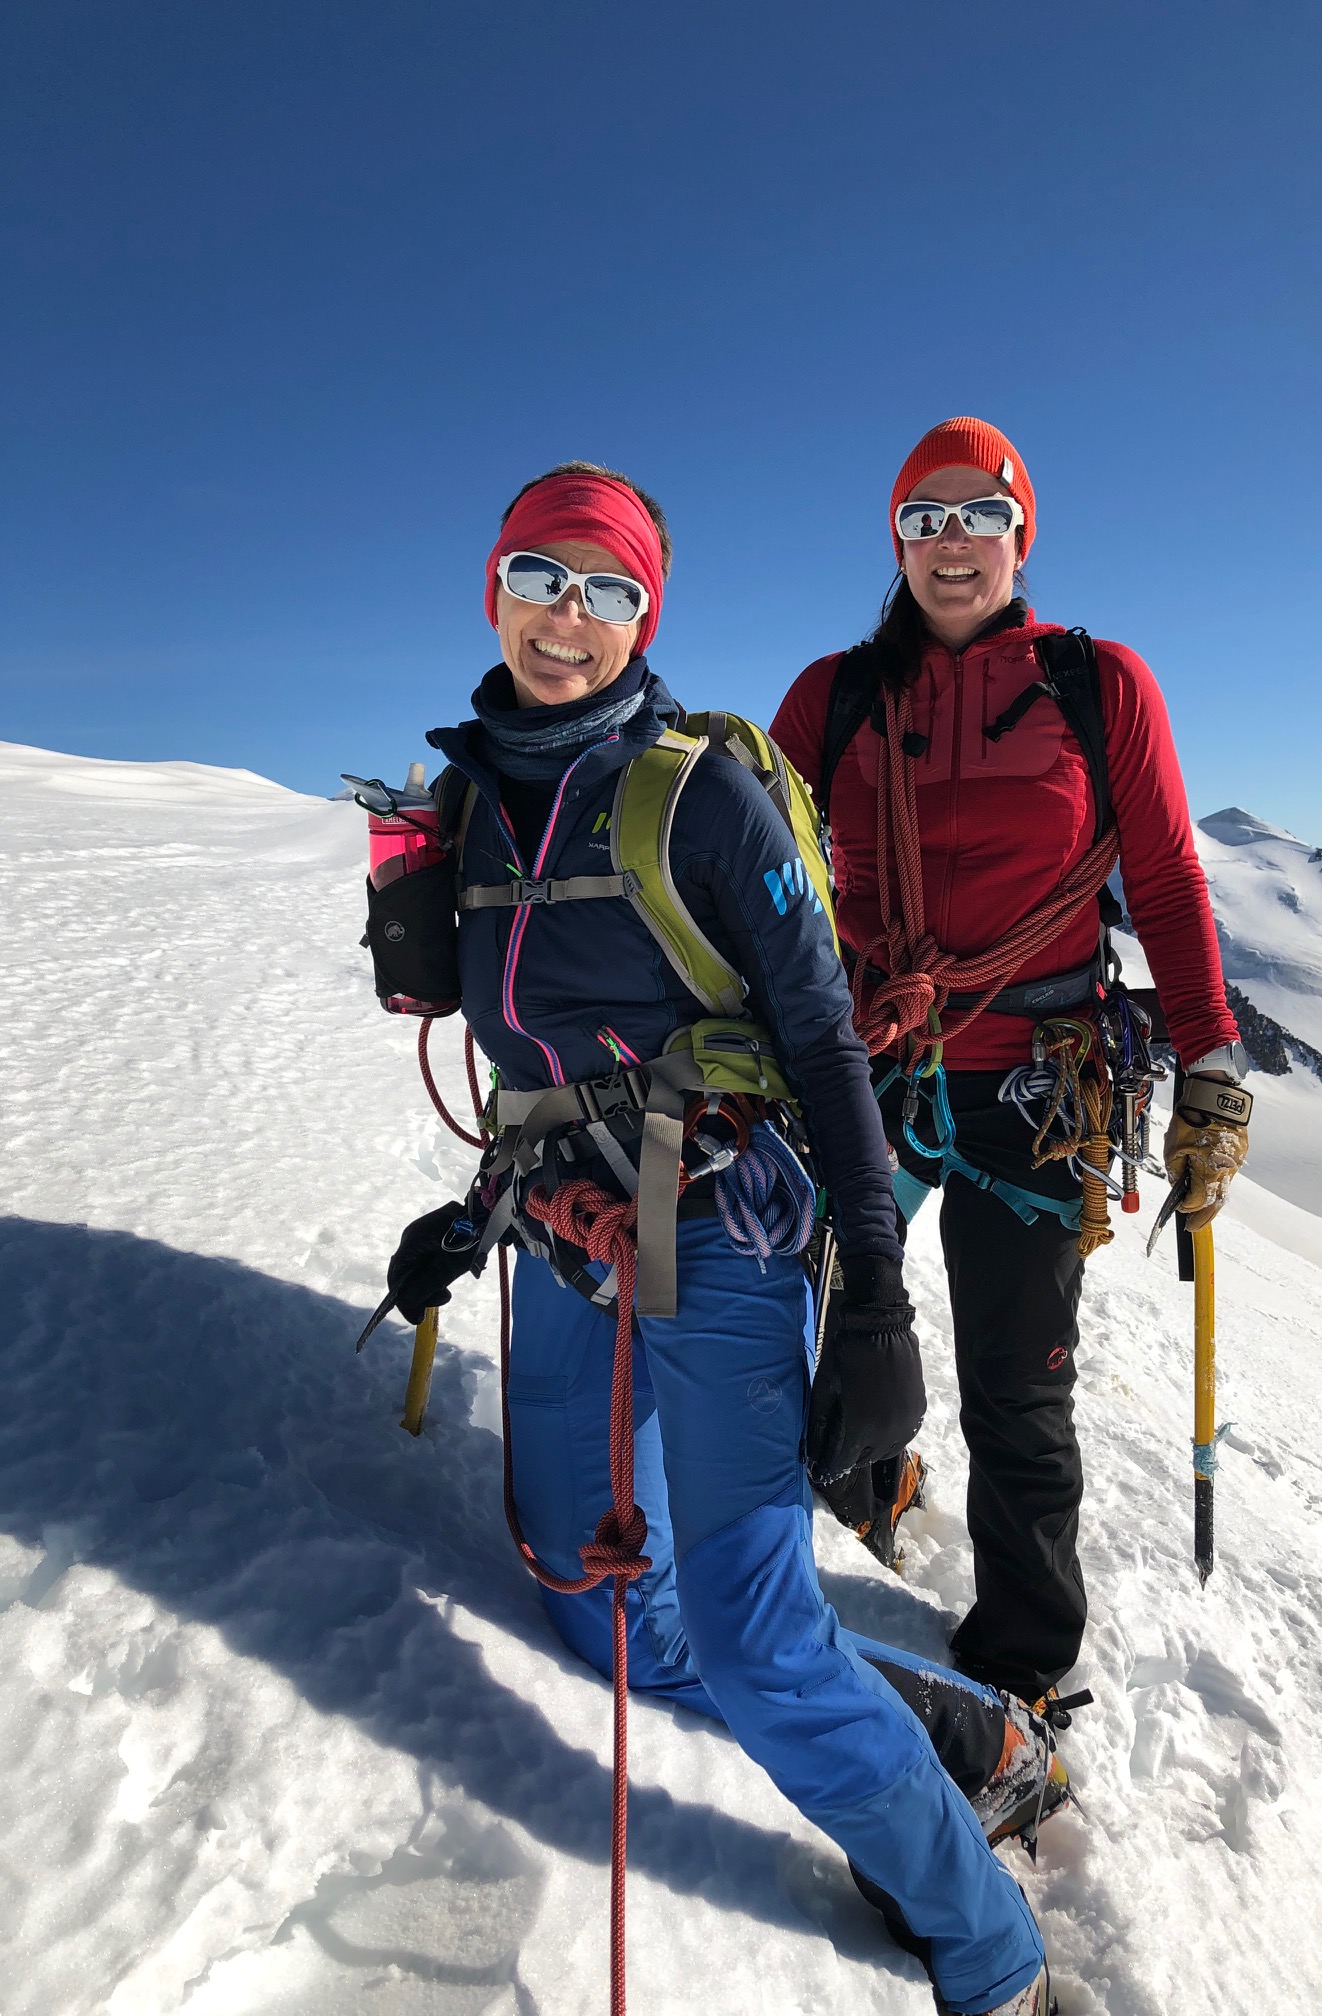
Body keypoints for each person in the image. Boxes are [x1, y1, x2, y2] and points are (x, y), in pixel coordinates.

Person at [381, 462, 1059, 2016]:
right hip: (566, 1240)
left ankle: (990, 1950)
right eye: (542, 576)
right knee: (605, 1610)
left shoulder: (700, 792)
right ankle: (958, 1734)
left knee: (756, 1646)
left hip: (728, 1234)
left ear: (647, 618)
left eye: (609, 589)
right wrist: (469, 1218)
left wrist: (876, 1299)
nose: (569, 617)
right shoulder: (473, 811)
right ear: (492, 591)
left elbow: (823, 1047)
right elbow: (532, 1070)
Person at [771, 417, 1250, 1707]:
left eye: (979, 513)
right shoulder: (832, 698)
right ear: (896, 543)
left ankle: (1022, 1666)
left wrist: (1211, 1063)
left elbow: (1164, 876)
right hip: (868, 1063)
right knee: (826, 1317)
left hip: (1039, 1085)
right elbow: (761, 870)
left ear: (1020, 536)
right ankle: (856, 1497)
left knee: (1017, 1385)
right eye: (922, 517)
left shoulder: (1100, 684)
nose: (951, 540)